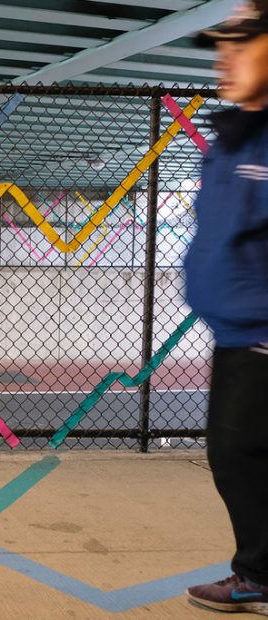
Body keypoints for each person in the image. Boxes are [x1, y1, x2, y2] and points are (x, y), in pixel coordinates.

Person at [185, 1, 268, 615]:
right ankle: (257, 573)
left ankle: (258, 576)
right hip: (236, 333)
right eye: (219, 50)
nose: (224, 62)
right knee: (234, 454)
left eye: (242, 46)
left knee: (240, 452)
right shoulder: (232, 137)